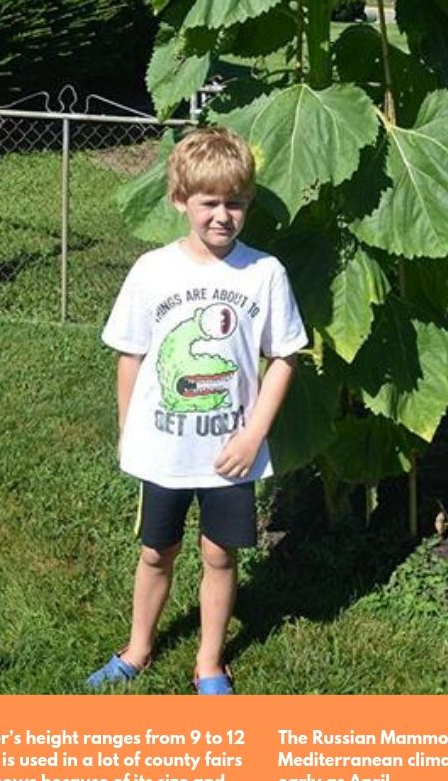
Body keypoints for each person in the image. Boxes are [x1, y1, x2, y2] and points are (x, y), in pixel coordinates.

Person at [86, 126, 308, 695]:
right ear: (180, 200)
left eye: (234, 203)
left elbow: (283, 358)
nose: (222, 216)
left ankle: (209, 662)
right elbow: (130, 356)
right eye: (209, 202)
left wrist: (252, 435)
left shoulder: (265, 274)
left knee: (218, 554)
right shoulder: (151, 271)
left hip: (228, 455)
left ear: (248, 203)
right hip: (164, 449)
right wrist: (128, 430)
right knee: (156, 551)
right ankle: (137, 647)